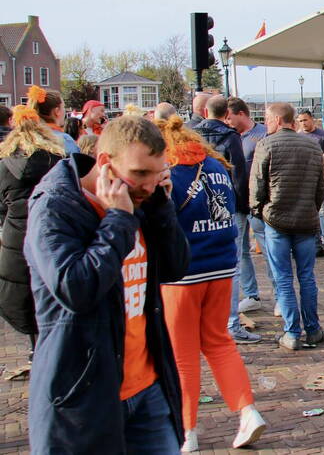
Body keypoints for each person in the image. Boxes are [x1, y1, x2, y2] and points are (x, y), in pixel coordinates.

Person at [24, 115, 191, 453]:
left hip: (148, 388)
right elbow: (76, 288)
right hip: (85, 395)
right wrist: (118, 220)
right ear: (104, 163)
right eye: (139, 174)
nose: (146, 185)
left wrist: (161, 208)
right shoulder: (56, 206)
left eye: (156, 174)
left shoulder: (143, 199)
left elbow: (175, 267)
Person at [155, 116, 266, 452]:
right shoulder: (216, 166)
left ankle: (187, 430)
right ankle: (247, 411)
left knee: (182, 354)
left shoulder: (167, 171)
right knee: (219, 343)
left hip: (183, 272)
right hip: (221, 265)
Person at [249, 102, 324, 350]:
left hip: (276, 220)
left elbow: (257, 185)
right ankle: (313, 329)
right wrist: (311, 208)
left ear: (275, 120)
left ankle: (292, 332)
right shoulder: (313, 146)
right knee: (307, 277)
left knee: (283, 278)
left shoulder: (266, 145)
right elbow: (321, 187)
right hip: (306, 219)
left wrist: (258, 210)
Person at [0, 105, 65, 357]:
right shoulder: (57, 162)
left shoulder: (5, 167)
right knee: (52, 293)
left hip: (17, 238)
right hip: (52, 234)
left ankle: (36, 348)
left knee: (26, 297)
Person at [194, 95, 258, 344]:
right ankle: (231, 323)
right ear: (226, 114)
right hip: (228, 205)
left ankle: (207, 319)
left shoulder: (193, 134)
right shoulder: (231, 137)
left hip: (200, 205)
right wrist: (242, 205)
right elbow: (239, 174)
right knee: (233, 263)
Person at [225, 96, 272, 312]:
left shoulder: (262, 134)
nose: (227, 121)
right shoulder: (229, 136)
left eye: (230, 116)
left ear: (241, 114)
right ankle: (251, 294)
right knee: (241, 250)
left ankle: (280, 294)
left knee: (268, 247)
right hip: (237, 202)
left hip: (258, 203)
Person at [296, 109, 324, 255]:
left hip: (321, 178)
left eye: (305, 120)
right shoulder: (298, 137)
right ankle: (314, 240)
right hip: (305, 179)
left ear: (312, 119)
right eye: (300, 121)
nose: (303, 123)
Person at [23, 86, 79, 155]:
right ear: (57, 111)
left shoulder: (26, 135)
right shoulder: (65, 140)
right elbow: (76, 163)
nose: (65, 110)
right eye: (63, 107)